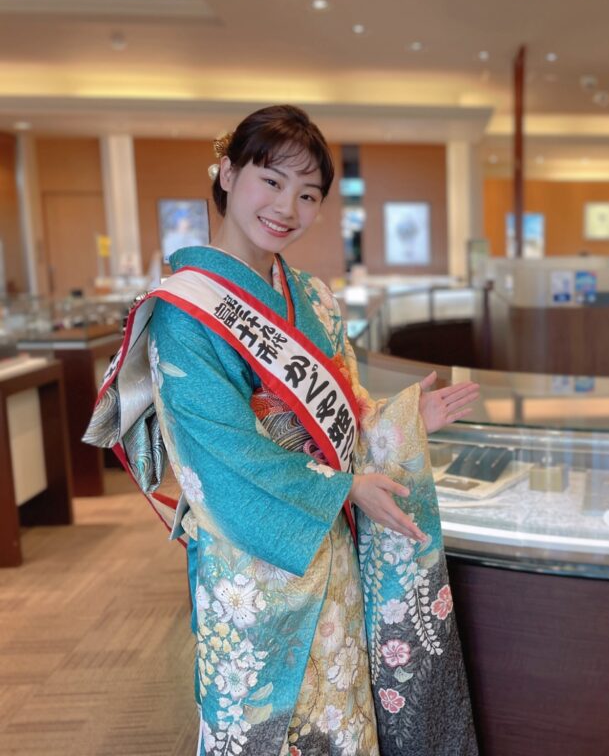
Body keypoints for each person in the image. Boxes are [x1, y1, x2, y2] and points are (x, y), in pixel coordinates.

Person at [85, 105, 480, 755]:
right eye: (271, 181)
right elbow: (218, 452)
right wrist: (342, 488)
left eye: (308, 194)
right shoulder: (185, 313)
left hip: (329, 550)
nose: (286, 207)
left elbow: (349, 410)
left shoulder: (314, 297)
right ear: (228, 173)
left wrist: (405, 419)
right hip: (254, 562)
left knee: (341, 719)